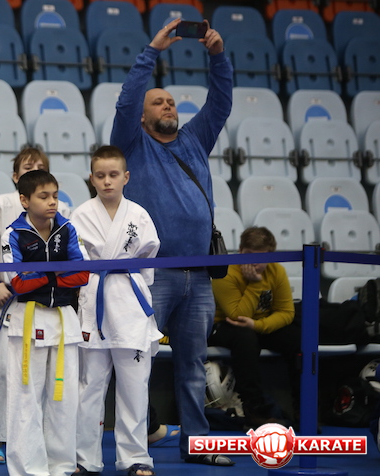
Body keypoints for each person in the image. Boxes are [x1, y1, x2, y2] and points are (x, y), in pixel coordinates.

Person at [110, 18, 234, 466]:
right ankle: (136, 448)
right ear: (143, 117)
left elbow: (221, 101)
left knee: (193, 366)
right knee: (137, 361)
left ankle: (198, 444)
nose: (167, 105)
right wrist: (152, 51)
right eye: (157, 101)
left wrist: (218, 56)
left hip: (198, 275)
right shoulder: (131, 143)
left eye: (171, 101)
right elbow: (126, 102)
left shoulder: (196, 140)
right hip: (152, 274)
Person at [0, 148, 70, 464]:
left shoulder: (60, 207)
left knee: (46, 373)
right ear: (15, 176)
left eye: (40, 167)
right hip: (8, 298)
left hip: (48, 301)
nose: (34, 170)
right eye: (27, 166)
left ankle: (40, 438)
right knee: (5, 371)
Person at [71, 146, 161, 476]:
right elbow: (75, 260)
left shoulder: (139, 214)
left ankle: (136, 458)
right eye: (100, 175)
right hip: (94, 300)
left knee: (134, 388)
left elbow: (147, 262)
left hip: (129, 303)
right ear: (91, 178)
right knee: (90, 387)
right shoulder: (80, 214)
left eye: (113, 175)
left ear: (126, 177)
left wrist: (128, 282)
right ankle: (85, 459)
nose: (107, 181)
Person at [0, 170, 89, 476]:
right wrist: (57, 273)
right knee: (25, 399)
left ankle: (61, 467)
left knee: (64, 398)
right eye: (44, 196)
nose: (52, 202)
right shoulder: (13, 234)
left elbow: (82, 275)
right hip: (28, 318)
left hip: (63, 319)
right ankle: (28, 470)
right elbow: (17, 282)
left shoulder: (67, 228)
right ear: (24, 200)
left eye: (55, 195)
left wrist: (42, 274)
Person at [208, 226, 299, 428]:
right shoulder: (225, 271)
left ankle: (303, 409)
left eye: (261, 257)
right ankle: (255, 410)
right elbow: (236, 315)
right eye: (249, 254)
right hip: (222, 325)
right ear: (240, 251)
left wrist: (258, 325)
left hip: (256, 324)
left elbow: (286, 312)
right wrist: (255, 283)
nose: (254, 262)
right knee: (245, 338)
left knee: (295, 337)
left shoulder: (277, 271)